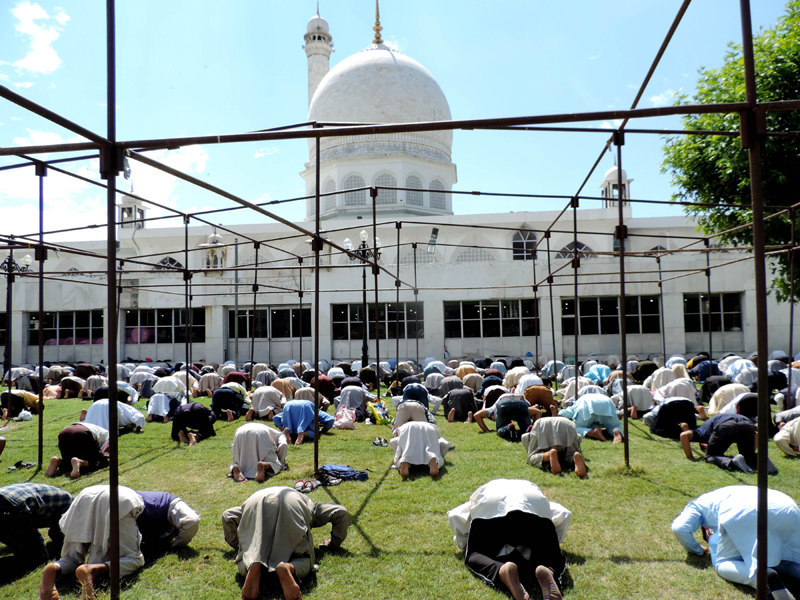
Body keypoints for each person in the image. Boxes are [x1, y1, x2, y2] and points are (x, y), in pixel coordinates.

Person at [447, 479, 571, 600]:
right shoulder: (534, 494)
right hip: (534, 509)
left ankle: (501, 570)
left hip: (491, 508)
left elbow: (454, 516)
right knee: (553, 556)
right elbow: (564, 514)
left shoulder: (481, 497)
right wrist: (552, 543)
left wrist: (464, 544)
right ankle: (549, 570)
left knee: (474, 555)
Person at [672, 486, 800, 599]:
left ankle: (760, 576)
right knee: (784, 553)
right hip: (786, 505)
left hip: (743, 511)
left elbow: (679, 527)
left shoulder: (696, 506)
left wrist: (697, 550)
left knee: (723, 563)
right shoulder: (721, 494)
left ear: (706, 530)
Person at [222, 486, 349, 600]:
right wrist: (333, 544)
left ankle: (252, 564)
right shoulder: (309, 504)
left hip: (255, 502)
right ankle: (289, 568)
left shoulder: (260, 494)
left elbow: (227, 516)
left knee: (247, 555)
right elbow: (340, 512)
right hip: (293, 505)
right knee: (305, 559)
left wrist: (240, 546)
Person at [39, 485, 145, 600]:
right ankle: (92, 569)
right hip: (121, 502)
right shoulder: (163, 507)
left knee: (72, 557)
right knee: (134, 559)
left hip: (85, 497)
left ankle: (56, 567)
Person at [679, 410, 776, 473]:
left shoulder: (700, 432)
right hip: (747, 424)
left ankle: (732, 462)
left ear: (704, 444)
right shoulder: (709, 424)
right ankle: (760, 459)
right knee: (748, 456)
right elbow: (756, 434)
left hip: (726, 425)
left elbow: (684, 435)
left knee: (710, 456)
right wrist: (750, 454)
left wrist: (690, 456)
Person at [0, 483, 72, 568]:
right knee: (37, 558)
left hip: (8, 498)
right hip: (11, 507)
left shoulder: (65, 498)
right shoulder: (72, 509)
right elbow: (59, 535)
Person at [133, 490, 200, 551]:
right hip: (168, 503)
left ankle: (174, 547)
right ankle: (175, 547)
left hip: (168, 504)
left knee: (193, 520)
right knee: (193, 520)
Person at [522, 416, 587, 477]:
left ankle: (548, 455)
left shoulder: (527, 436)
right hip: (567, 424)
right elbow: (578, 437)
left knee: (531, 457)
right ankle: (574, 457)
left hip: (542, 425)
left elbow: (525, 438)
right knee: (571, 453)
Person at [45, 422, 110, 480]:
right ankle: (81, 462)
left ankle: (58, 461)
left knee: (68, 460)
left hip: (64, 433)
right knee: (101, 462)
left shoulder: (90, 425)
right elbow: (103, 453)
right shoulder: (108, 435)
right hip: (83, 434)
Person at [558, 392, 623, 443]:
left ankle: (592, 433)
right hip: (606, 403)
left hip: (586, 406)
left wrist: (557, 415)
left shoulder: (579, 401)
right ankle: (616, 430)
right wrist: (615, 422)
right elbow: (619, 414)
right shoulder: (603, 396)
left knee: (575, 427)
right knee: (614, 425)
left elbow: (565, 413)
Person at [473, 393, 540, 441]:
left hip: (504, 403)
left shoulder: (494, 407)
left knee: (500, 430)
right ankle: (529, 428)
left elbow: (477, 415)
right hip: (520, 401)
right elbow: (538, 412)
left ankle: (509, 427)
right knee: (526, 427)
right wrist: (534, 425)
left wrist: (487, 430)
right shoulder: (518, 396)